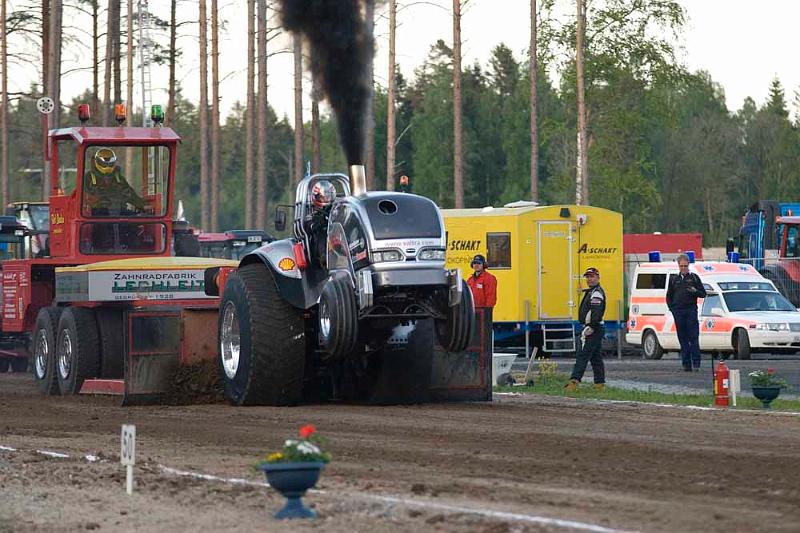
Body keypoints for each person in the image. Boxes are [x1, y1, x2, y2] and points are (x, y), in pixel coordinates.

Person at [565, 267, 606, 392]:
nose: (589, 279)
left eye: (592, 276)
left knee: (583, 356)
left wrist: (591, 327)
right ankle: (599, 385)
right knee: (596, 358)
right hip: (594, 327)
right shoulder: (591, 291)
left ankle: (574, 382)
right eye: (587, 277)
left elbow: (596, 312)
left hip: (594, 328)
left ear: (598, 278)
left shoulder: (596, 293)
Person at [667, 254, 707, 372]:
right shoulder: (674, 279)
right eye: (681, 266)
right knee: (682, 339)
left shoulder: (694, 278)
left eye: (685, 266)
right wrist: (672, 309)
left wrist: (695, 291)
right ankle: (686, 365)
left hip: (691, 311)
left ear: (688, 265)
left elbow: (703, 294)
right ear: (678, 266)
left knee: (693, 338)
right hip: (678, 312)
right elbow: (669, 296)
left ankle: (696, 364)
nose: (683, 268)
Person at [83, 148, 146, 215]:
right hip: (95, 216)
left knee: (137, 217)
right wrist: (98, 202)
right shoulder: (88, 178)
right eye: (104, 162)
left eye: (109, 163)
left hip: (120, 214)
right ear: (97, 161)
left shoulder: (119, 179)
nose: (107, 165)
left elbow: (130, 194)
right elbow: (83, 198)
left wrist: (142, 205)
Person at [304, 179, 336, 267]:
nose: (326, 199)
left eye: (328, 196)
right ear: (317, 197)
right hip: (317, 250)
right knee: (322, 232)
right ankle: (324, 258)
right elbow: (310, 227)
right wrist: (321, 222)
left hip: (336, 240)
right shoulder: (311, 216)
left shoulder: (337, 211)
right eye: (323, 197)